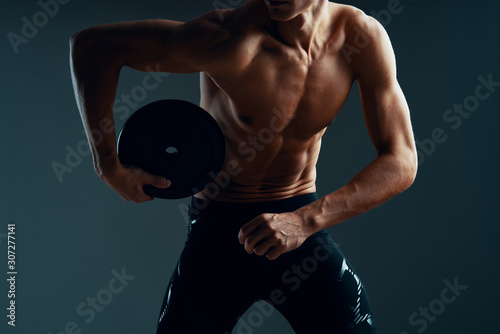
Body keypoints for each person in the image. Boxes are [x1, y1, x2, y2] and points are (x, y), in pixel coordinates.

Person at [70, 0, 417, 333]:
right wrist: (108, 165)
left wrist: (304, 220)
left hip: (300, 221)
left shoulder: (360, 39)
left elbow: (401, 160)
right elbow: (93, 47)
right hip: (220, 228)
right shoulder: (228, 38)